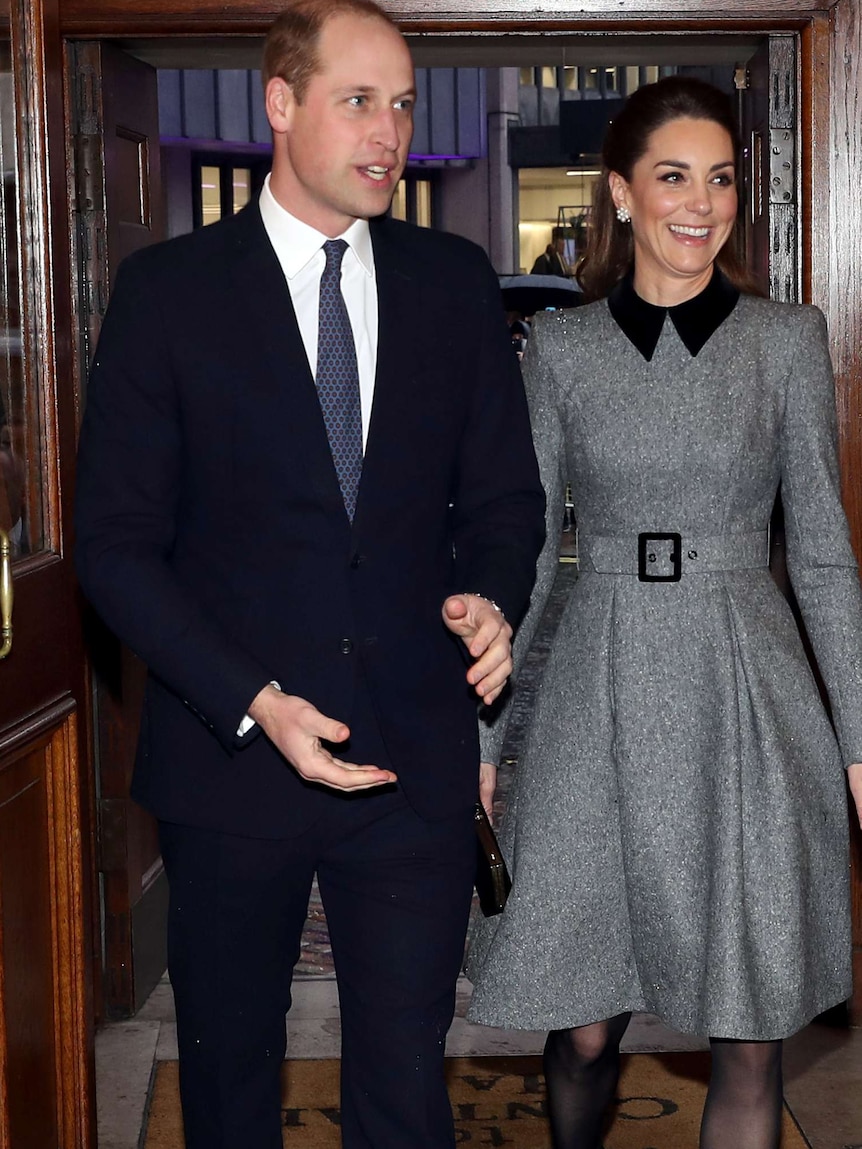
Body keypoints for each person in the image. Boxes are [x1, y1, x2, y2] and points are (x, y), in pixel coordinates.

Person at [74, 2, 545, 1146]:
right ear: (280, 105)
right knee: (229, 1084)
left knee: (405, 1086)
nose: (387, 132)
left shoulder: (450, 283)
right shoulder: (169, 292)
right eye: (357, 101)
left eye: (401, 104)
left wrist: (491, 597)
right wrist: (251, 700)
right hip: (230, 766)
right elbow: (114, 545)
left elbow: (505, 506)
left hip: (412, 765)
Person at [467, 75, 862, 1149]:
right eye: (674, 176)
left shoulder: (785, 340)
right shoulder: (560, 349)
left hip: (744, 692)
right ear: (622, 194)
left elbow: (821, 554)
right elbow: (525, 560)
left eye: (721, 178)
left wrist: (860, 745)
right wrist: (486, 739)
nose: (701, 202)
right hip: (593, 685)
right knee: (584, 1023)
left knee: (747, 1033)